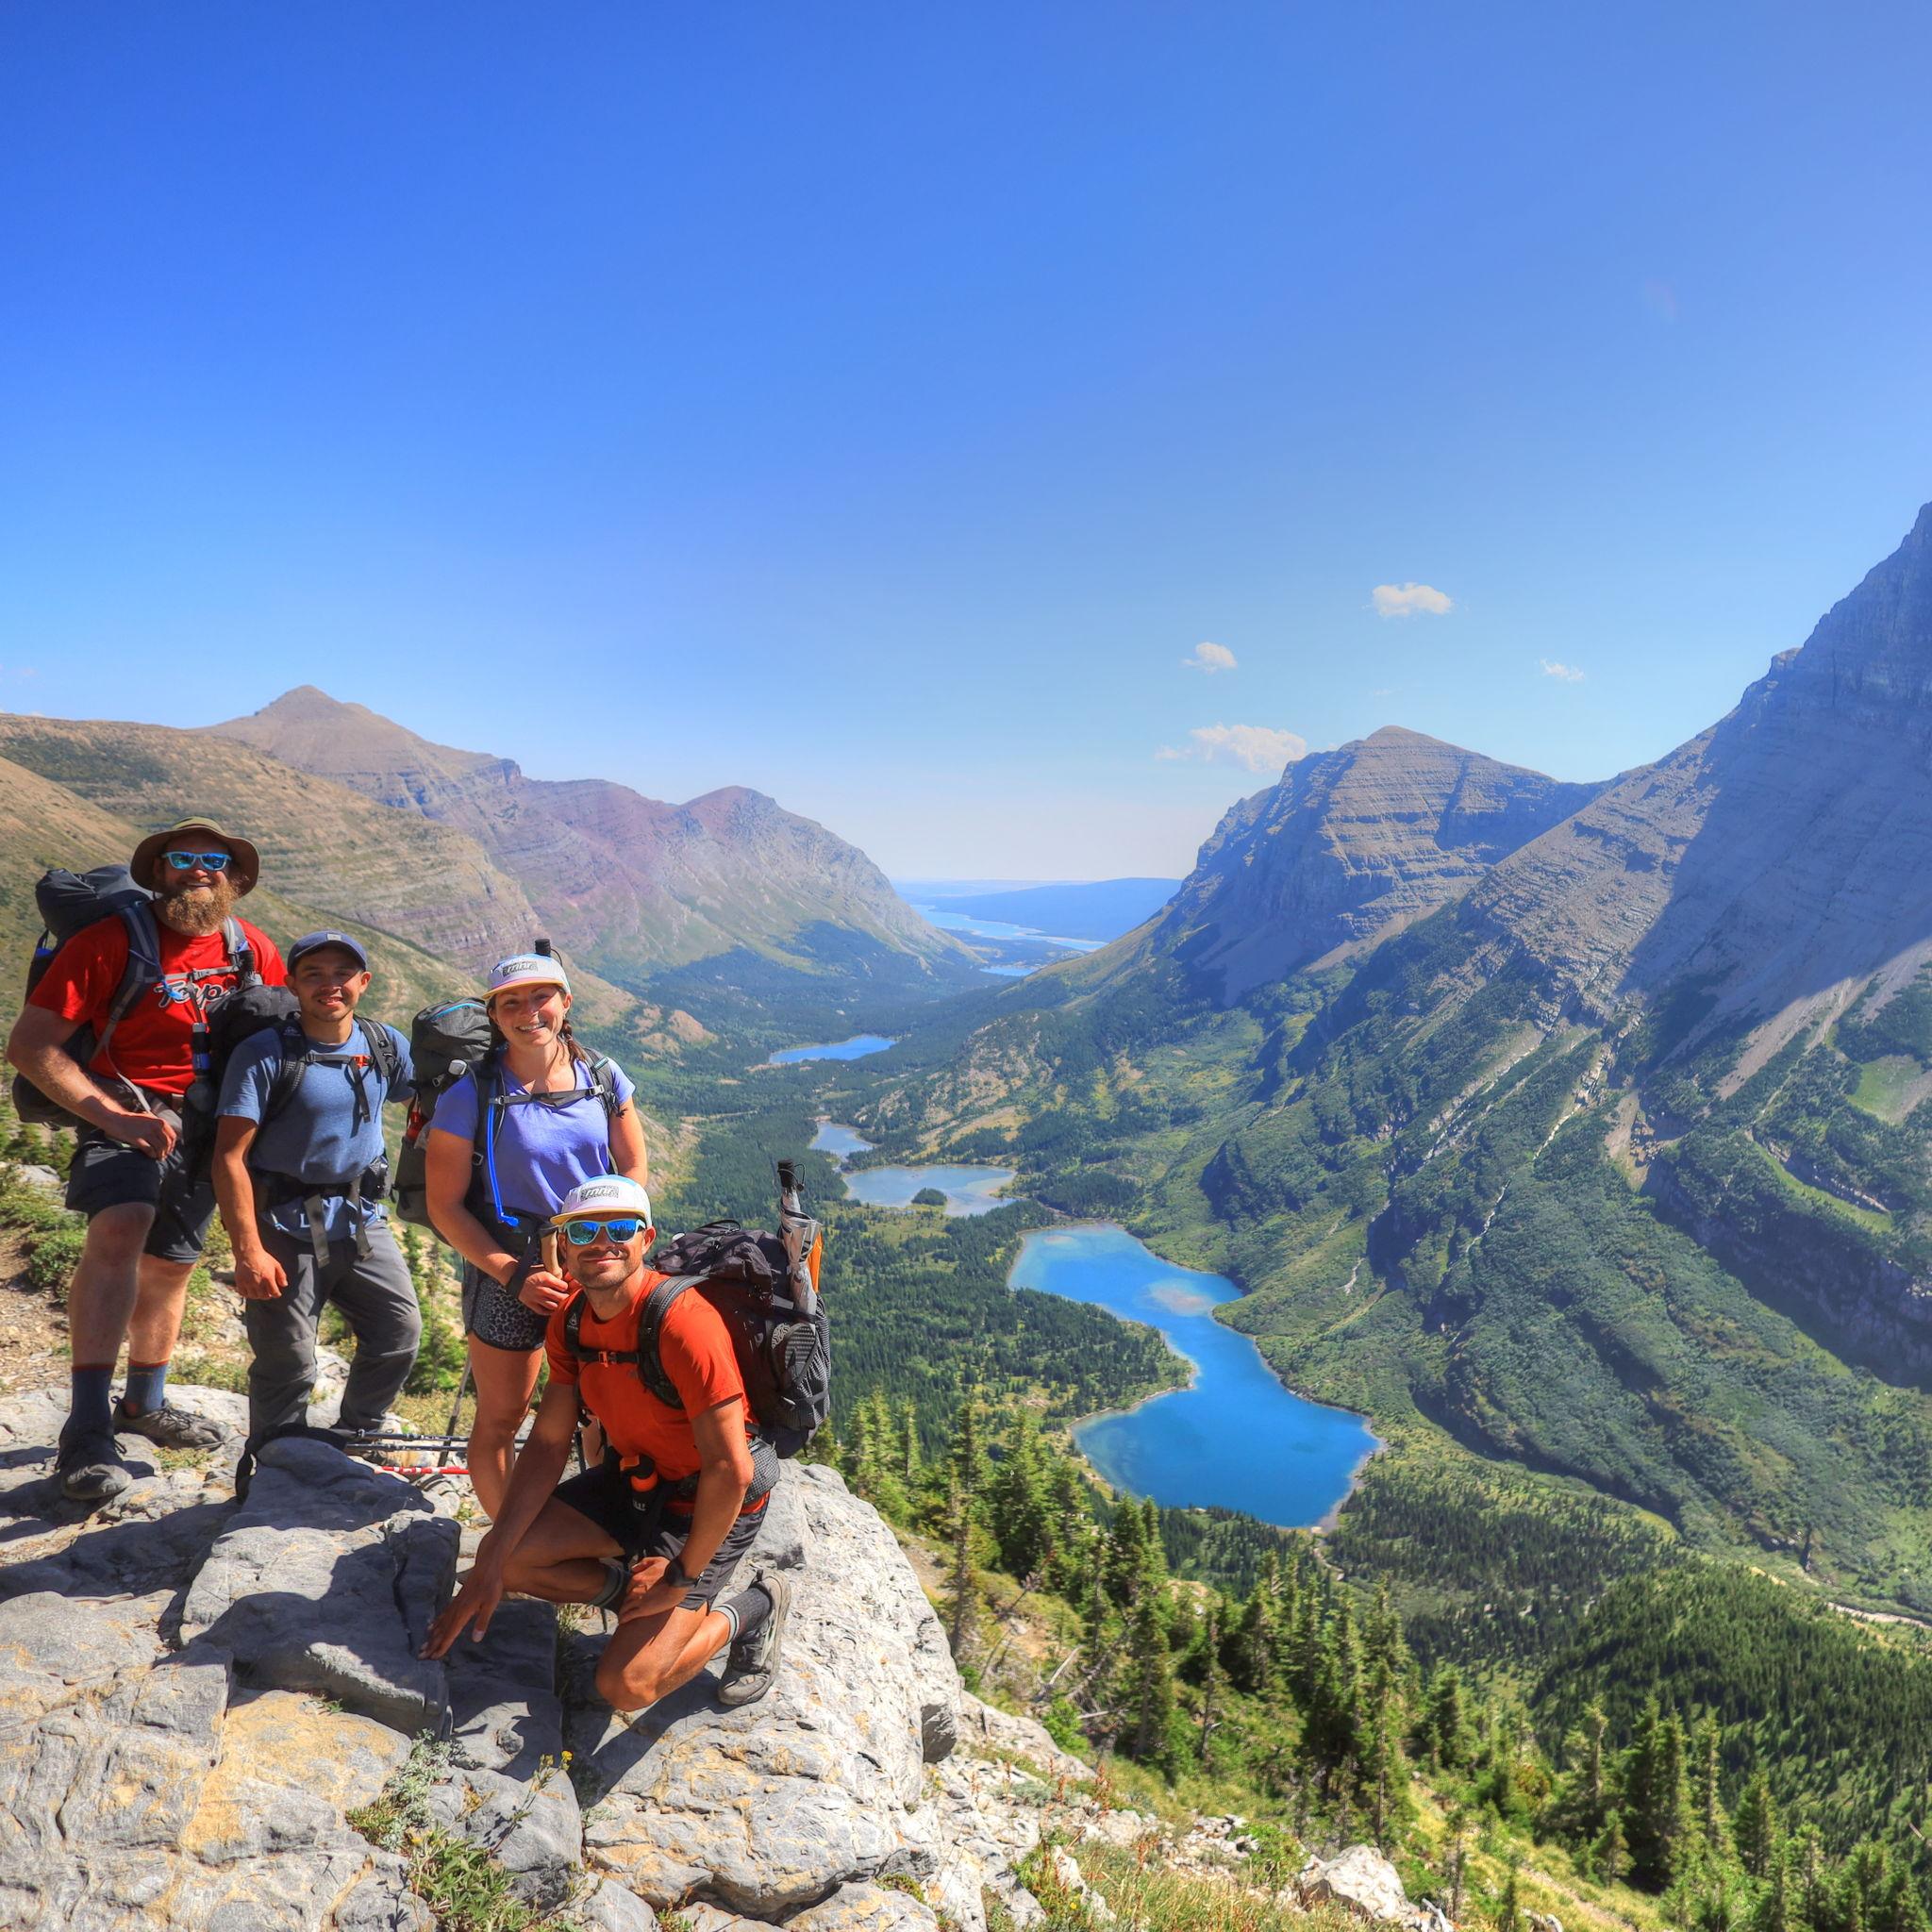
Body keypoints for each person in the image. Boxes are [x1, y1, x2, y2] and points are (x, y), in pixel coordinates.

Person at [423, 1175, 791, 1715]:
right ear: (563, 1245)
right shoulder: (572, 1320)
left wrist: (679, 1578)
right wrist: (488, 1562)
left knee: (628, 1687)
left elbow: (728, 1468)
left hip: (707, 1503)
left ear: (646, 1239)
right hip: (635, 1481)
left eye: (620, 1227)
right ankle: (630, 1595)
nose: (602, 1242)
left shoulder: (684, 1325)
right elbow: (548, 1442)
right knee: (509, 1562)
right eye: (584, 1230)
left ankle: (755, 1607)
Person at [6, 819, 287, 1502]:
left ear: (235, 878)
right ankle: (87, 1428)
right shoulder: (109, 943)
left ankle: (144, 1404)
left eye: (214, 861)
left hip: (209, 1121)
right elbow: (33, 1045)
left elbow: (282, 1035)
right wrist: (110, 1117)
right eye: (182, 859)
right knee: (121, 1224)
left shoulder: (250, 948)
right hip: (120, 1107)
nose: (199, 871)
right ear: (157, 873)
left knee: (172, 1264)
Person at [425, 952, 648, 1517]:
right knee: (502, 1416)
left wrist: (610, 1244)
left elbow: (633, 1170)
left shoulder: (603, 1077)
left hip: (599, 1263)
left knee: (607, 1409)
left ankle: (604, 1521)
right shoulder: (468, 1093)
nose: (529, 1012)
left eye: (541, 997)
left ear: (565, 1002)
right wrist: (511, 1274)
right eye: (511, 1002)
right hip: (511, 1265)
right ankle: (512, 1546)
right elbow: (444, 1205)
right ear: (495, 1015)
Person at [209, 930, 420, 1445]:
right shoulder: (264, 1054)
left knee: (398, 1331)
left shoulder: (384, 1044)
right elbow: (229, 1157)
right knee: (289, 1357)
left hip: (360, 1219)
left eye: (342, 975)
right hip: (282, 1224)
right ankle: (275, 1459)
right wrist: (248, 1251)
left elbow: (427, 1101)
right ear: (293, 985)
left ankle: (360, 1430)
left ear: (363, 983)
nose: (331, 986)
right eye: (314, 975)